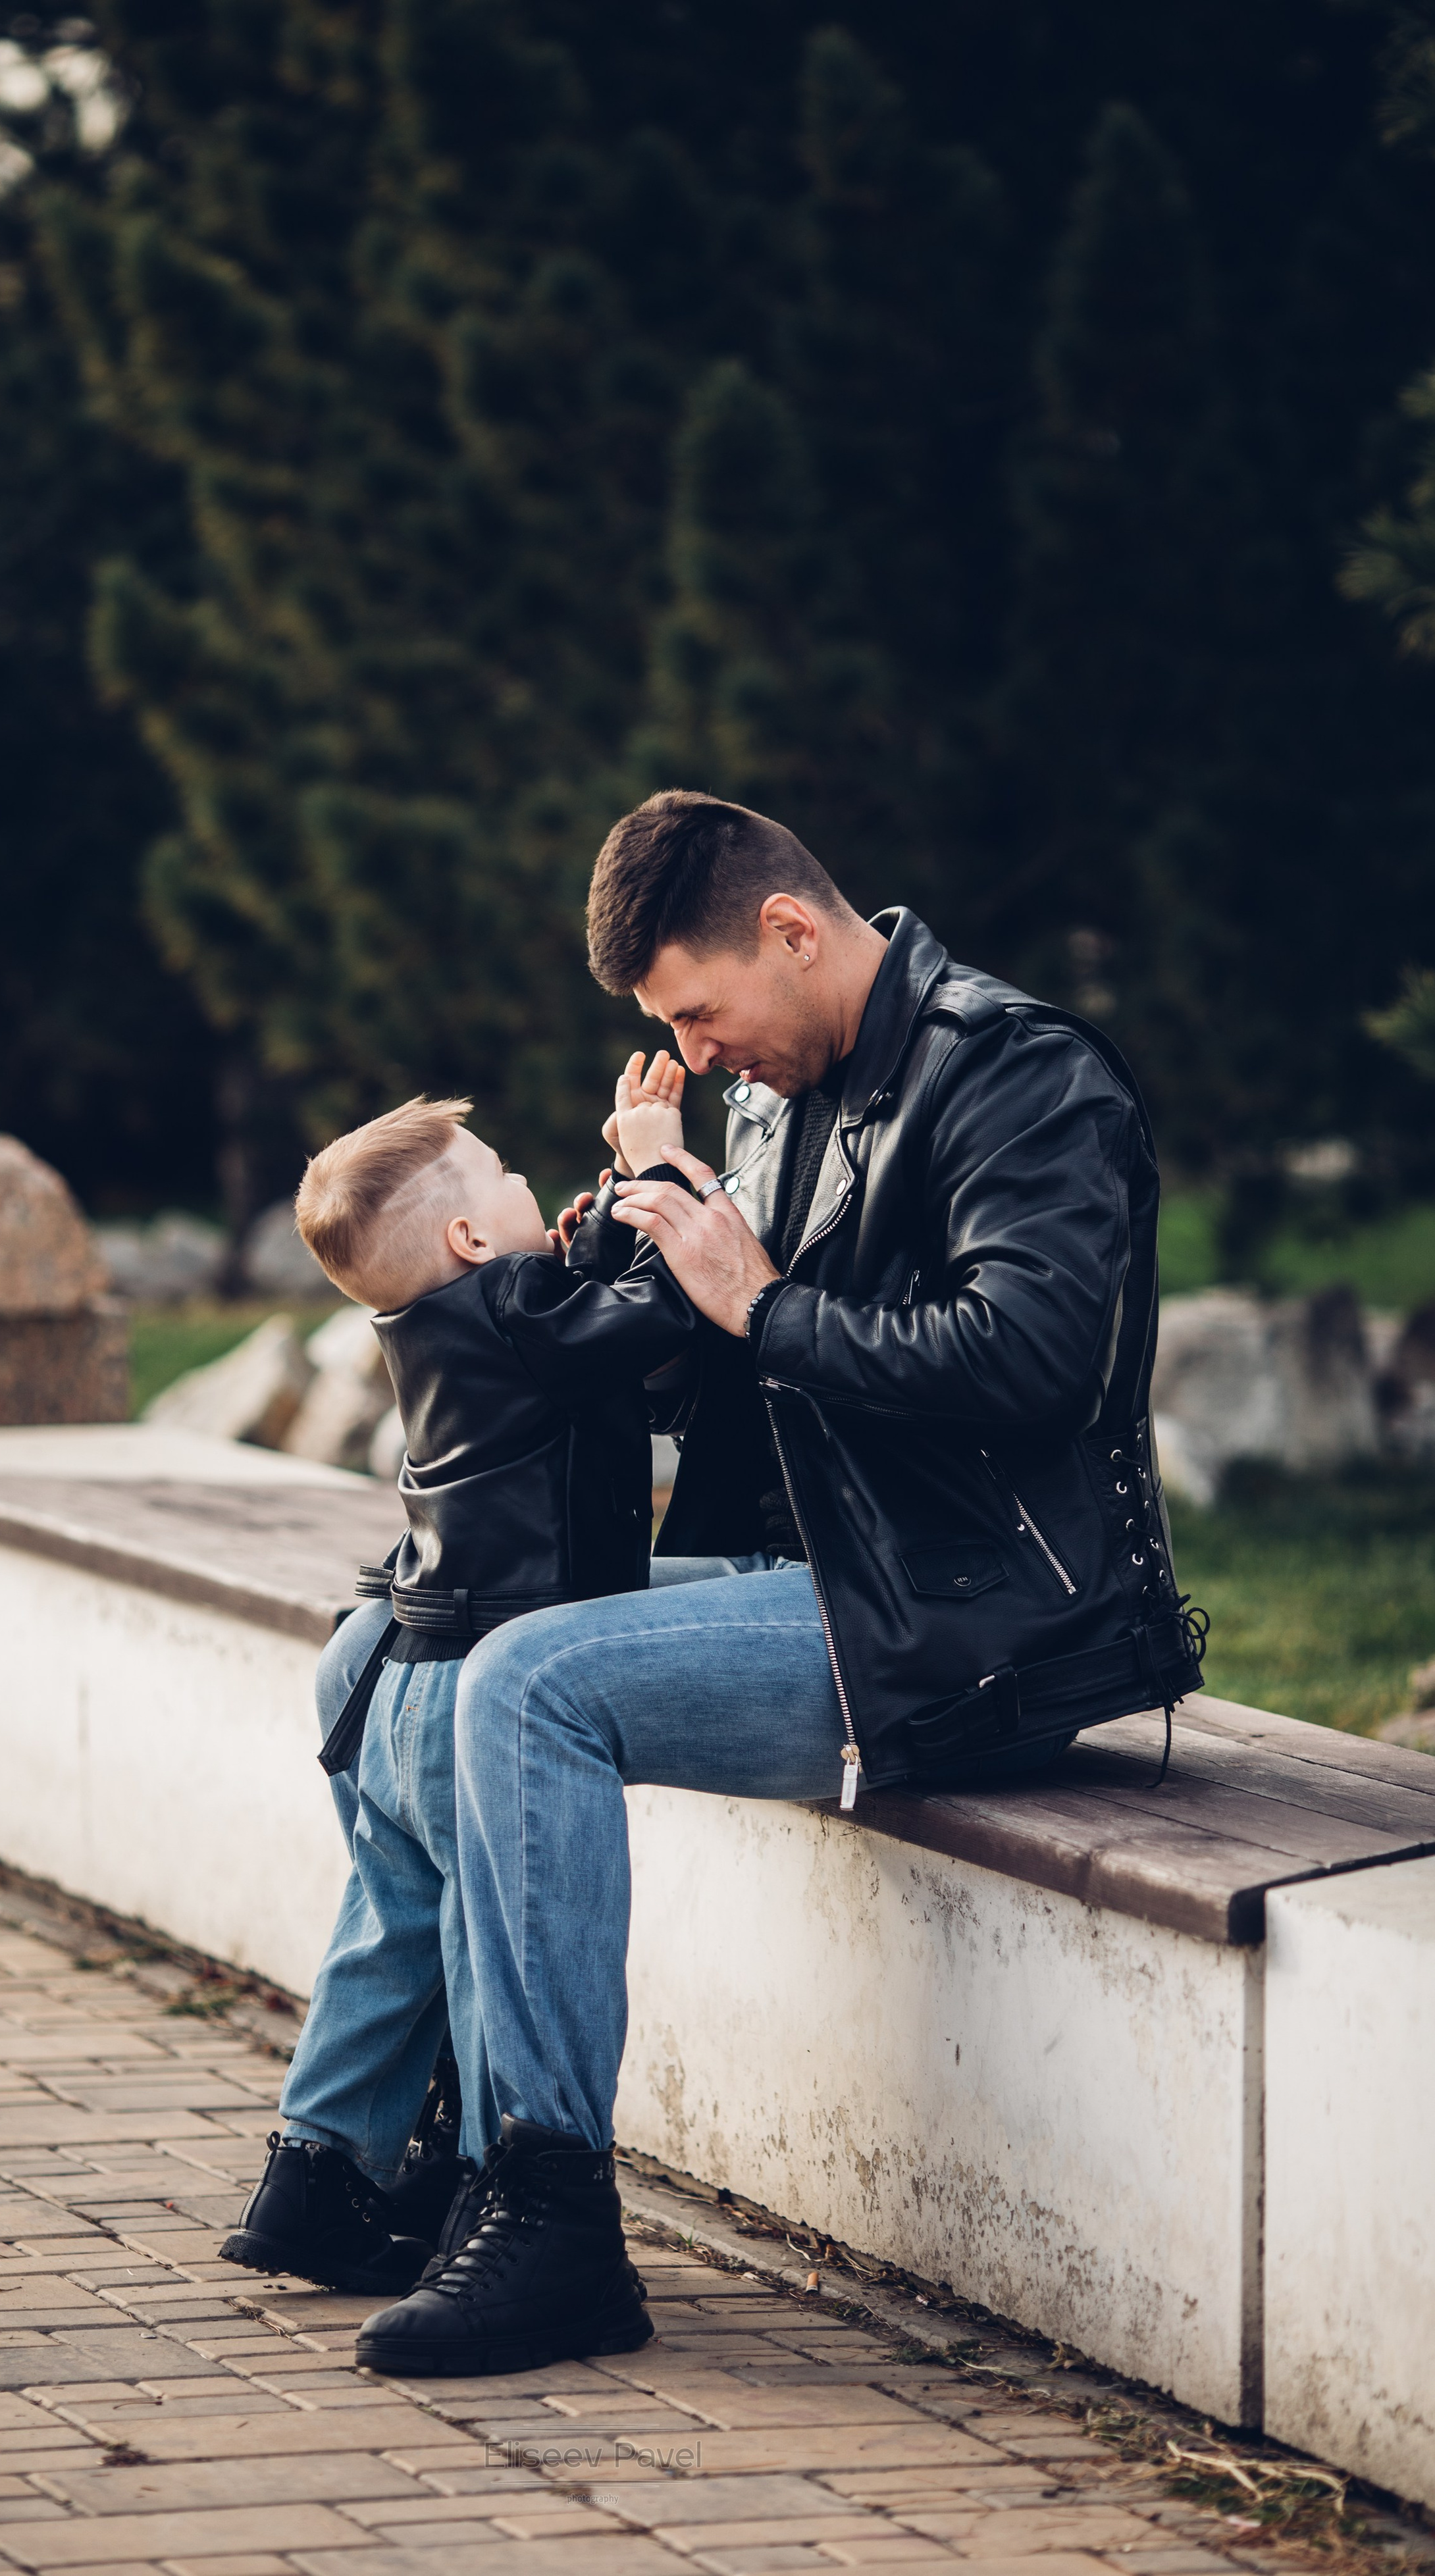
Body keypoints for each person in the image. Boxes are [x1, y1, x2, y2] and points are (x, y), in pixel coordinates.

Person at [352, 788, 1204, 2379]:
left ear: (791, 931)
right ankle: (388, 2152)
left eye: (699, 1007)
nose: (698, 1044)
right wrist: (624, 1254)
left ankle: (550, 2225)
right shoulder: (768, 1092)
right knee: (400, 1635)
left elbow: (1032, 1364)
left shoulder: (1020, 1074)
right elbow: (726, 1375)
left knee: (531, 1682)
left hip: (983, 1622)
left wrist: (751, 1303)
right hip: (825, 1570)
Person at [220, 1076, 697, 2313]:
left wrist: (592, 1227)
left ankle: (312, 2174)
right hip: (476, 1680)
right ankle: (499, 2190)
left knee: (392, 1926)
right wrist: (669, 1172)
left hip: (397, 1677)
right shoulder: (519, 1303)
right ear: (469, 1238)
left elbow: (570, 1307)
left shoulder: (450, 1314)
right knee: (490, 1941)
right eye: (503, 1174)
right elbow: (657, 1319)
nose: (533, 1181)